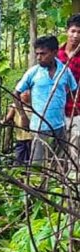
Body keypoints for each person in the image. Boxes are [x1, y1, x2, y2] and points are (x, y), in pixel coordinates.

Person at [14, 35, 78, 164]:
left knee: (60, 162)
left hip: (60, 125)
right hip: (39, 126)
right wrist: (24, 116)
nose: (38, 57)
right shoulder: (34, 72)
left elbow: (74, 90)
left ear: (54, 52)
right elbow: (16, 93)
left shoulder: (64, 71)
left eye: (43, 54)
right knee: (38, 163)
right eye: (37, 54)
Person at [58, 14, 80, 161]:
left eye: (79, 32)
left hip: (77, 108)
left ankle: (74, 179)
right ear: (67, 31)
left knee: (75, 145)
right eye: (73, 31)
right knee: (58, 148)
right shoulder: (56, 55)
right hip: (56, 108)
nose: (76, 35)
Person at [2, 91, 33, 164]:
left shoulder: (34, 105)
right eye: (22, 91)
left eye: (27, 90)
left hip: (32, 137)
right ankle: (18, 171)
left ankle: (29, 172)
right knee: (19, 156)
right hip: (20, 137)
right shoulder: (15, 106)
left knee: (31, 157)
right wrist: (3, 122)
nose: (25, 93)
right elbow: (7, 119)